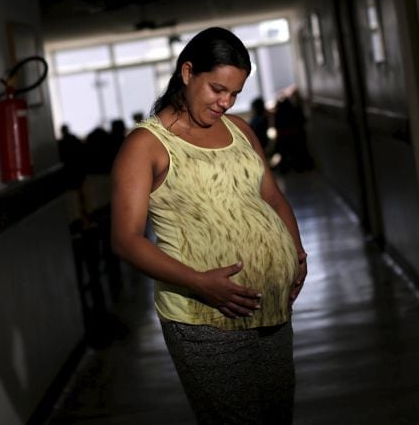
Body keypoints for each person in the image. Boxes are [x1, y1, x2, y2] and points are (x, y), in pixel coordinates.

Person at [111, 27, 307, 425]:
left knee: (276, 417)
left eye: (234, 93)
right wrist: (199, 282)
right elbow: (126, 240)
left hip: (272, 310)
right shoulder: (146, 145)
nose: (226, 102)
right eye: (218, 88)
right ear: (187, 72)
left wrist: (297, 256)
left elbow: (271, 198)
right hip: (205, 320)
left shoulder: (240, 130)